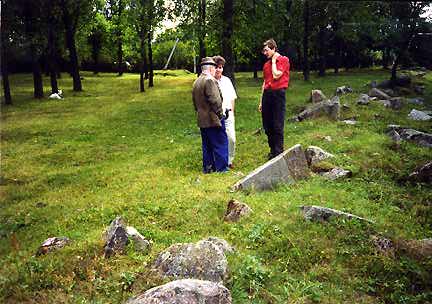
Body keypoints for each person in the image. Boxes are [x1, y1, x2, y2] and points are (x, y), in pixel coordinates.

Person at [192, 57, 229, 173]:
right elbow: (215, 100)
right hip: (212, 118)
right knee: (220, 143)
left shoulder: (197, 81)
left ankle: (208, 167)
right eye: (214, 67)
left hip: (201, 119)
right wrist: (220, 114)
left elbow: (194, 102)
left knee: (207, 145)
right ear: (211, 68)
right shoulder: (209, 80)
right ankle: (222, 168)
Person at [258, 39, 290, 159]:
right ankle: (272, 150)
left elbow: (276, 74)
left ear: (273, 49)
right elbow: (265, 82)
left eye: (266, 50)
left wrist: (273, 61)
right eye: (264, 51)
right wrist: (261, 101)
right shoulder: (265, 65)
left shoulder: (283, 60)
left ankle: (278, 152)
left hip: (278, 94)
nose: (264, 53)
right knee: (267, 125)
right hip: (267, 94)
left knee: (277, 124)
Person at [213, 55, 237, 169]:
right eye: (217, 67)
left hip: (228, 114)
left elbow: (232, 97)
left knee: (231, 138)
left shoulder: (227, 80)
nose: (219, 70)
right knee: (219, 139)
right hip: (215, 116)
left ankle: (230, 160)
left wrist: (232, 112)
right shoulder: (210, 82)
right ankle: (220, 161)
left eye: (221, 67)